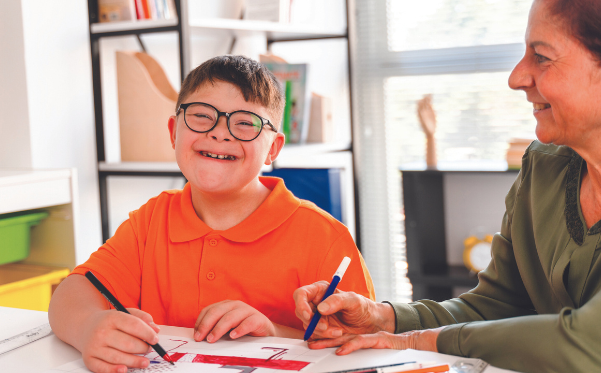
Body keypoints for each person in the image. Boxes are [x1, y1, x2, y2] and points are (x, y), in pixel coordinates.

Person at [293, 0, 601, 373]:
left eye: (542, 56)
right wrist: (385, 318)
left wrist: (419, 339)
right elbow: (495, 306)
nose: (517, 76)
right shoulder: (544, 168)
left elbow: (599, 343)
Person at [49, 55, 374, 373]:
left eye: (245, 122)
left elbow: (364, 346)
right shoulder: (150, 221)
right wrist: (88, 327)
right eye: (202, 116)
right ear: (174, 131)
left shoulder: (324, 237)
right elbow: (72, 293)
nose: (220, 132)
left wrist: (274, 334)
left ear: (273, 148)